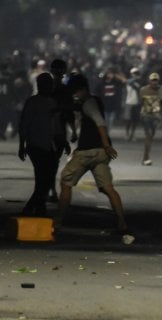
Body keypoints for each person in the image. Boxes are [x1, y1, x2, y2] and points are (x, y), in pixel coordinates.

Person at [57, 74, 127, 232]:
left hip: (88, 151)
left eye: (75, 91)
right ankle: (122, 222)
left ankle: (59, 220)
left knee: (66, 181)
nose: (74, 94)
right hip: (101, 153)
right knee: (107, 187)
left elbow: (100, 123)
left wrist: (107, 145)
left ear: (82, 89)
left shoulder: (89, 104)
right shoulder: (94, 101)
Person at [18, 73, 58, 216]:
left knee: (44, 178)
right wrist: (21, 146)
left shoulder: (52, 102)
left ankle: (39, 208)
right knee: (44, 179)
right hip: (36, 144)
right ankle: (30, 208)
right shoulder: (33, 102)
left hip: (47, 145)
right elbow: (24, 125)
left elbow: (54, 125)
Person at [49, 59, 75, 203]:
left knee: (50, 162)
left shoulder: (47, 88)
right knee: (53, 162)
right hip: (55, 130)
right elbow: (69, 112)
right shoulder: (62, 90)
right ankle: (50, 190)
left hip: (53, 130)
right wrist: (74, 131)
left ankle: (50, 190)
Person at [139, 72, 162, 166]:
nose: (154, 83)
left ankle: (146, 156)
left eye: (156, 81)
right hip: (146, 115)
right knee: (148, 135)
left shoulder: (161, 90)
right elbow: (140, 103)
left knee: (151, 136)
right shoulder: (143, 90)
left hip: (156, 115)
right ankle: (146, 157)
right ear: (149, 81)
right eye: (152, 80)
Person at [124, 67, 142, 141]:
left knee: (135, 120)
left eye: (136, 74)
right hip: (129, 102)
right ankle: (127, 134)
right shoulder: (129, 81)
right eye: (134, 74)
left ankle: (132, 134)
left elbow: (139, 88)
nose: (135, 75)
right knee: (128, 120)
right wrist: (135, 78)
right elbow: (129, 82)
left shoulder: (139, 82)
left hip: (136, 103)